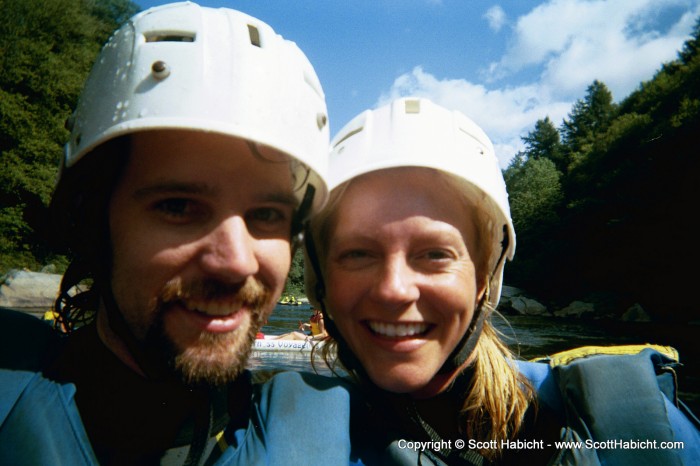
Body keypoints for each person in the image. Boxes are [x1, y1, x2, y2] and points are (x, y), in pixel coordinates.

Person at [0, 3, 355, 465]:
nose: (236, 261)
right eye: (178, 206)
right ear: (91, 219)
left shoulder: (341, 434)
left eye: (267, 214)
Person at [304, 97, 700, 465]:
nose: (393, 289)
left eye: (436, 254)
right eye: (358, 254)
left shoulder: (622, 424)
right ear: (322, 282)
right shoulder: (272, 435)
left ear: (485, 278)